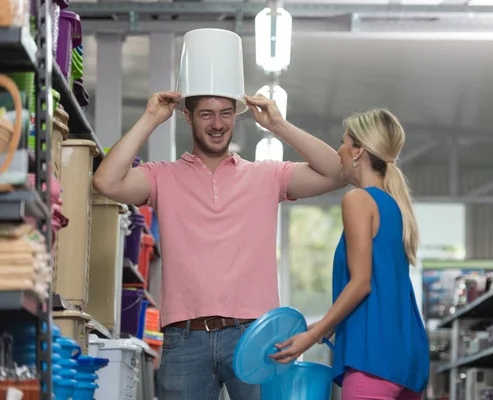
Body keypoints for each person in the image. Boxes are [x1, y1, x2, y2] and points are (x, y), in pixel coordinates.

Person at [92, 91, 345, 400]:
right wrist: (151, 118)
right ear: (188, 116)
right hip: (184, 338)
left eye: (226, 113)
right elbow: (104, 181)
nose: (217, 124)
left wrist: (278, 124)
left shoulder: (267, 175)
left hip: (256, 335)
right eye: (206, 114)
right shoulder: (162, 176)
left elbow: (338, 172)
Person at [270, 108, 430, 400]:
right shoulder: (394, 206)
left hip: (373, 358)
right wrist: (322, 326)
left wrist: (312, 337)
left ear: (358, 152)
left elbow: (361, 284)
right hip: (407, 358)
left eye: (343, 143)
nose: (339, 152)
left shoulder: (358, 199)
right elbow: (379, 289)